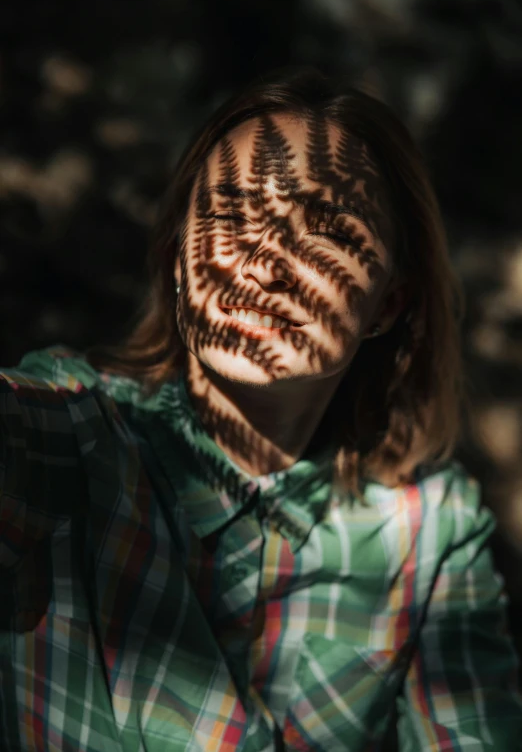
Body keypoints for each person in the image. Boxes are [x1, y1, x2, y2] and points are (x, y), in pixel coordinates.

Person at [1, 69, 521, 752]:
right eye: (233, 212)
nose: (264, 263)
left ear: (388, 304)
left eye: (326, 231)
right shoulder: (67, 435)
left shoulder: (428, 534)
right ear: (179, 254)